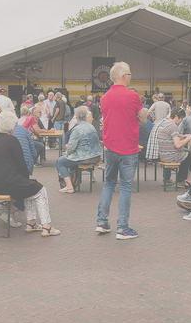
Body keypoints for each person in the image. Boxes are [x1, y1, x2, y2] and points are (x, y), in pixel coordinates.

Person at [0, 112, 61, 237]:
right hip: (8, 183)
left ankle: (31, 224)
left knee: (30, 190)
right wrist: (25, 178)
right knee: (40, 190)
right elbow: (21, 165)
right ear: (11, 127)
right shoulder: (12, 141)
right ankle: (46, 227)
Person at [96, 62, 144, 240]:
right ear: (124, 76)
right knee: (125, 186)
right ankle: (122, 227)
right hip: (128, 148)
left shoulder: (105, 97)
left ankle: (102, 221)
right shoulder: (133, 96)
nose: (131, 77)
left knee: (108, 183)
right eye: (130, 74)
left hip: (110, 147)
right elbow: (142, 118)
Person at [55, 106, 102, 193]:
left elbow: (71, 147)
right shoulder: (91, 127)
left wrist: (67, 151)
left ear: (77, 117)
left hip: (84, 157)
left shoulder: (77, 129)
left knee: (60, 161)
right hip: (96, 156)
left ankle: (69, 186)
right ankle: (74, 182)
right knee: (69, 160)